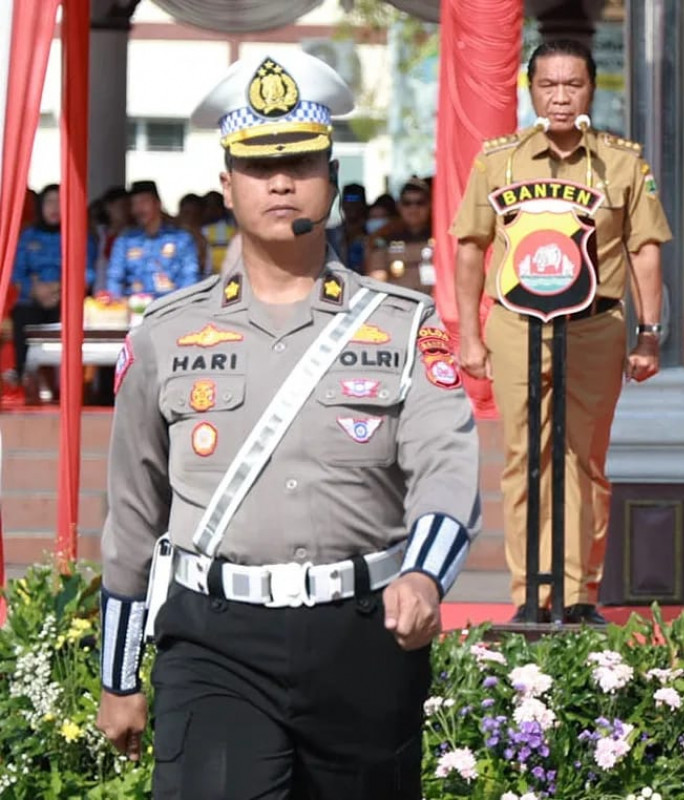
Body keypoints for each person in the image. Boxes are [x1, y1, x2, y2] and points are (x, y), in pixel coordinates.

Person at [94, 51, 480, 798]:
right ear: (226, 184)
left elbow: (448, 462)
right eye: (258, 165)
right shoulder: (165, 335)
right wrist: (118, 676)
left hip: (363, 634)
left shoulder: (402, 325)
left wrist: (427, 574)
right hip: (215, 637)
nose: (280, 181)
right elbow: (133, 512)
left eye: (301, 162)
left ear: (331, 179)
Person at [450, 39, 671, 625]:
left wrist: (650, 333)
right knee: (524, 455)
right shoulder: (499, 159)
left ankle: (577, 593)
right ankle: (528, 590)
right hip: (516, 324)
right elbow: (470, 246)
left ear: (591, 89)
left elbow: (645, 249)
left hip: (596, 323)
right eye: (548, 85)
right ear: (531, 90)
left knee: (584, 459)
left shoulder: (620, 162)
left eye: (572, 85)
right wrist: (469, 335)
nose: (561, 97)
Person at [11, 184, 96, 376]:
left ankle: (70, 380)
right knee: (23, 314)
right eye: (49, 202)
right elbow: (17, 273)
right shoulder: (28, 235)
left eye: (60, 202)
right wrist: (35, 290)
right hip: (32, 298)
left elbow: (88, 272)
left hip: (66, 298)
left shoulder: (80, 235)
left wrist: (60, 289)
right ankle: (24, 376)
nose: (54, 208)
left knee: (71, 317)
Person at [105, 180, 200, 299]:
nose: (139, 209)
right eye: (135, 203)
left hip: (171, 309)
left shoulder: (181, 239)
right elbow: (114, 279)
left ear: (158, 204)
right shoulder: (125, 241)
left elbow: (190, 279)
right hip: (135, 310)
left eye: (144, 202)